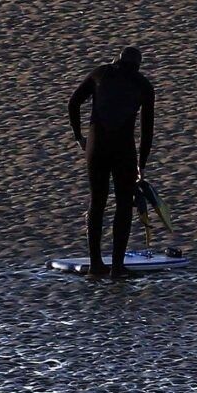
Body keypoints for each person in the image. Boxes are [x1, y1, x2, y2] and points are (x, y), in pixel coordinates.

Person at [66, 47, 156, 279]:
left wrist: (79, 137)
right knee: (124, 205)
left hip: (96, 147)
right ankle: (117, 267)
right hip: (123, 149)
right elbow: (147, 132)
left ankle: (96, 266)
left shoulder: (101, 73)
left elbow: (73, 103)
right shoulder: (143, 85)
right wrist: (142, 165)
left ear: (117, 60)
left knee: (97, 202)